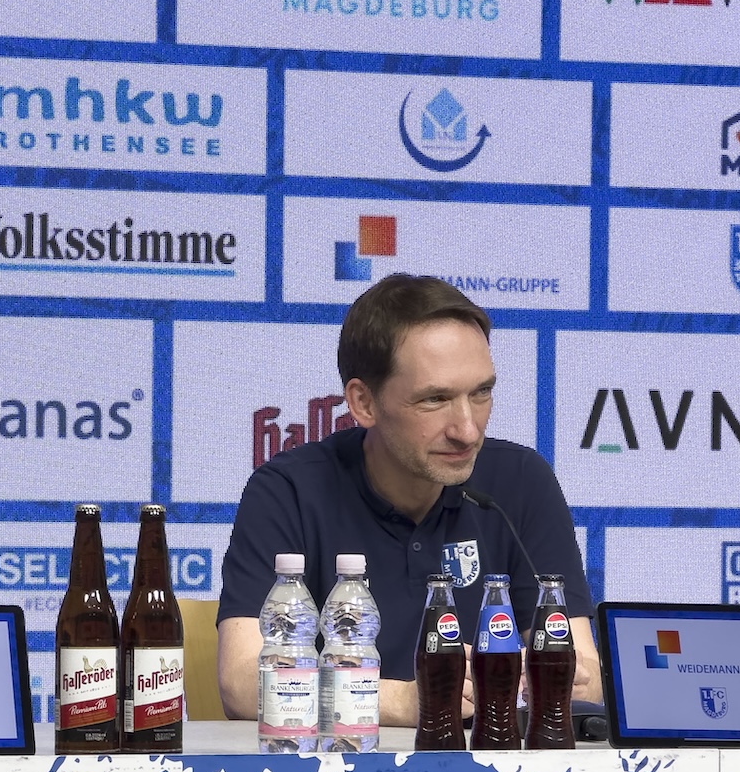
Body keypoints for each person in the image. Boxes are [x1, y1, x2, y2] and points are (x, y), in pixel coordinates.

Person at [217, 273, 600, 724]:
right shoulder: (287, 490)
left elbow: (585, 677)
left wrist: (519, 678)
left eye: (481, 393)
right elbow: (243, 684)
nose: (467, 429)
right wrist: (406, 699)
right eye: (435, 399)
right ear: (364, 403)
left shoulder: (521, 480)